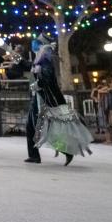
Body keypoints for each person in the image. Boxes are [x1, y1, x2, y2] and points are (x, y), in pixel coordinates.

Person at [26, 34, 92, 165]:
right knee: (31, 126)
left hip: (47, 101)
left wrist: (36, 85)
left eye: (37, 46)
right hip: (38, 99)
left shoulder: (45, 62)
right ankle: (34, 156)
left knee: (49, 128)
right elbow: (29, 68)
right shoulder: (38, 62)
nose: (35, 49)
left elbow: (47, 80)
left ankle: (66, 151)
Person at [91, 78, 112, 144]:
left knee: (109, 124)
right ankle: (107, 139)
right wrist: (95, 90)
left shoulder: (109, 91)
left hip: (107, 109)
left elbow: (108, 90)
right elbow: (94, 95)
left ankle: (109, 139)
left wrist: (101, 90)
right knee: (105, 125)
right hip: (102, 109)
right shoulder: (100, 96)